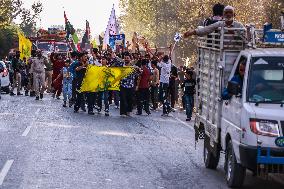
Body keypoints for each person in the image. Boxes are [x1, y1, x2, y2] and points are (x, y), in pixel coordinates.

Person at [120, 52, 136, 116]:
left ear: (130, 59)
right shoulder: (121, 66)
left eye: (127, 58)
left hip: (131, 86)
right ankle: (123, 112)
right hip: (123, 85)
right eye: (125, 58)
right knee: (123, 99)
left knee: (130, 99)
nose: (126, 59)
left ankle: (129, 110)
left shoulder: (133, 67)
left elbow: (137, 74)